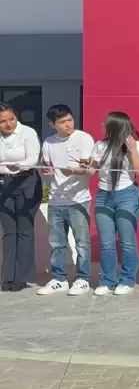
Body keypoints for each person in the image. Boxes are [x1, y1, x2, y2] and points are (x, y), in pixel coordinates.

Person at [84, 112, 139, 296]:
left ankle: (127, 279)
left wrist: (133, 150)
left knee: (127, 241)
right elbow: (91, 170)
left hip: (127, 194)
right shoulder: (99, 146)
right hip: (104, 194)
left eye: (105, 123)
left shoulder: (135, 145)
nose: (102, 124)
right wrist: (83, 168)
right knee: (106, 242)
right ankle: (107, 280)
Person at [37, 105, 95, 296]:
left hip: (78, 199)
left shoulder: (83, 138)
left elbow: (88, 168)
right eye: (62, 122)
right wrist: (47, 172)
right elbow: (49, 168)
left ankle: (82, 279)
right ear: (52, 124)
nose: (68, 124)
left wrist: (76, 170)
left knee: (82, 243)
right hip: (55, 199)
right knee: (56, 243)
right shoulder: (48, 142)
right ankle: (59, 279)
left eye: (70, 119)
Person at [0, 103, 42, 292]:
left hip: (26, 181)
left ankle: (21, 277)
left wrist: (20, 166)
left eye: (11, 119)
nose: (8, 124)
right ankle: (7, 276)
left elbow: (33, 158)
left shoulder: (28, 132)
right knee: (9, 231)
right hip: (3, 184)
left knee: (24, 230)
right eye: (2, 121)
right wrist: (7, 169)